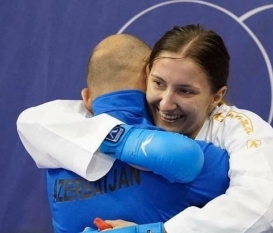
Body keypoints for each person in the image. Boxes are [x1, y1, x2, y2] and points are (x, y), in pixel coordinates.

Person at [17, 24, 273, 232]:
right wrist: (121, 139)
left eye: (186, 91)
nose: (166, 103)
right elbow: (34, 122)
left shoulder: (238, 127)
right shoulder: (135, 115)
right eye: (159, 83)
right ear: (145, 76)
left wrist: (154, 232)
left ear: (217, 96)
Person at [45, 33, 230, 233]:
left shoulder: (55, 160)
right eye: (159, 83)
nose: (167, 104)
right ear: (147, 82)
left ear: (87, 98)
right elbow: (251, 207)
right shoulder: (199, 159)